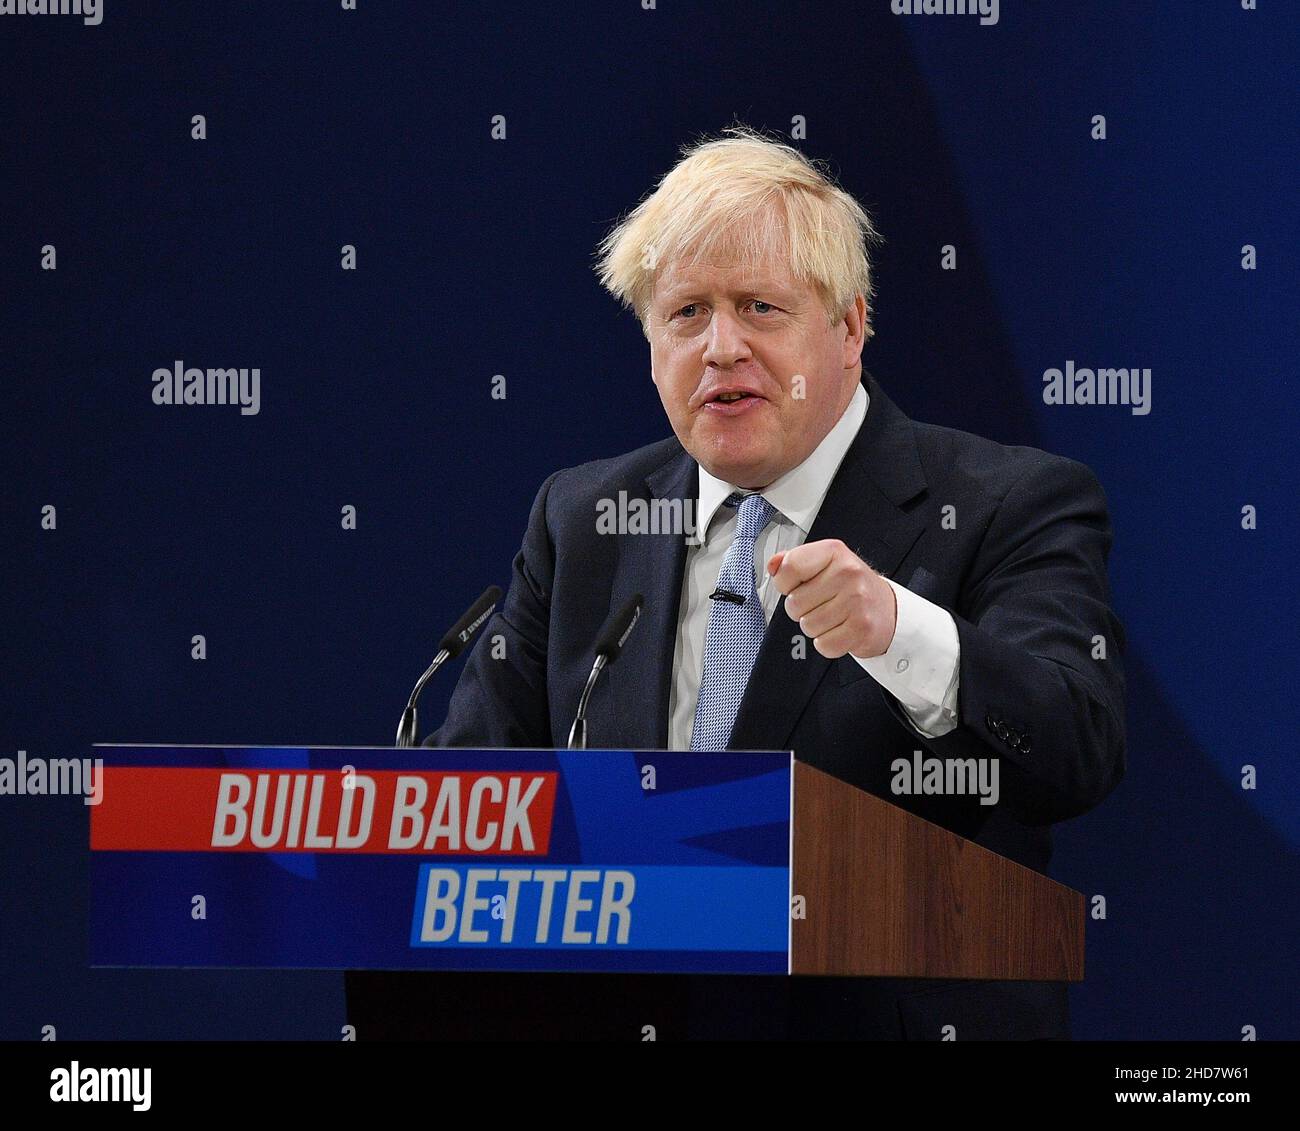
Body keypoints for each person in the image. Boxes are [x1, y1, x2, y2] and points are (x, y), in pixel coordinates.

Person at [346, 125, 1126, 1040]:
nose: (719, 348)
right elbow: (476, 793)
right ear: (648, 341)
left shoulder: (1008, 503)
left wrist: (898, 629)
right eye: (686, 314)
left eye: (759, 307)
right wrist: (366, 834)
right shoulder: (584, 518)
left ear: (849, 326)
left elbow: (1078, 743)